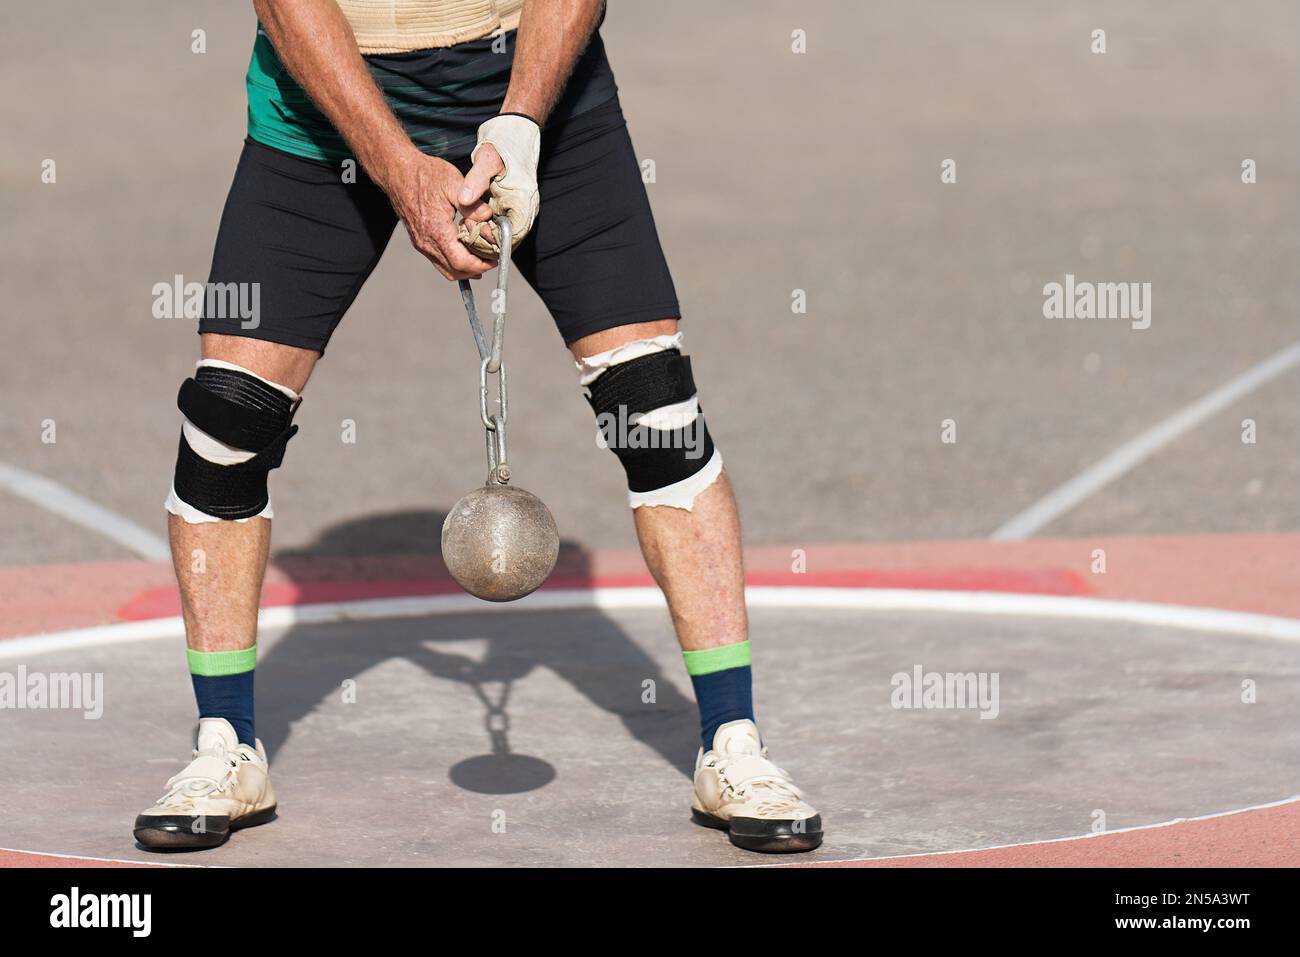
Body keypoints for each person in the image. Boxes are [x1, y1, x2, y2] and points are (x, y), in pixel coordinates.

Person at [133, 0, 822, 855]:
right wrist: (399, 170)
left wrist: (523, 121)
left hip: (536, 94)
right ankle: (225, 743)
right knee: (228, 423)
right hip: (325, 110)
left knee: (656, 414)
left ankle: (733, 742)